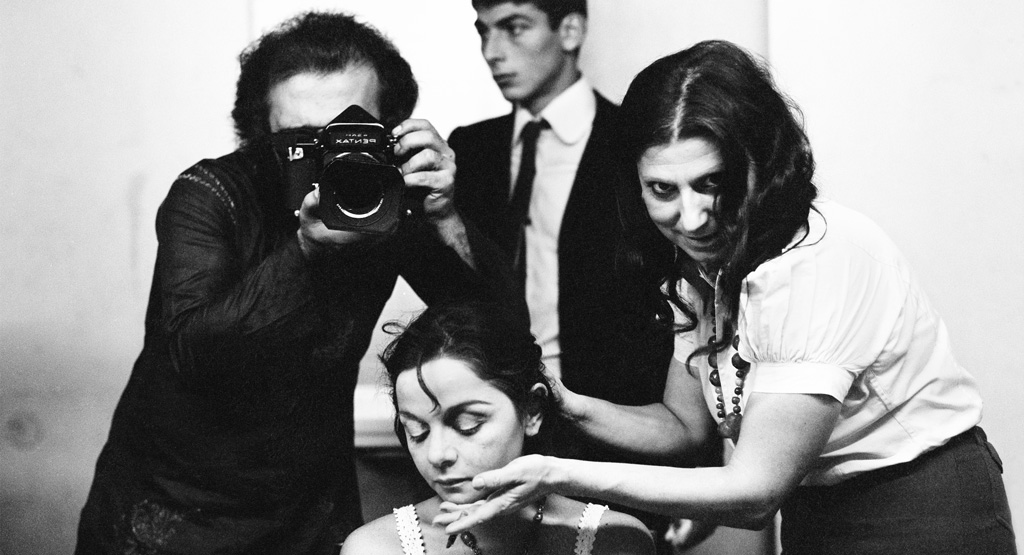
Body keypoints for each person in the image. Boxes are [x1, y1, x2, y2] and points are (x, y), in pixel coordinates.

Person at [435, 40, 1018, 554]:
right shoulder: (703, 267)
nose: (691, 218)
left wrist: (555, 473)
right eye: (662, 190)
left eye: (711, 184)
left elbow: (755, 492)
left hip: (922, 507)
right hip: (814, 510)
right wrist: (568, 403)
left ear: (759, 165)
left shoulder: (815, 260)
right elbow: (681, 426)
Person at [75, 12, 520, 555]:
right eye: (300, 140)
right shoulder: (210, 194)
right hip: (174, 511)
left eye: (346, 135)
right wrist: (307, 249)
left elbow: (498, 329)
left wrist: (445, 214)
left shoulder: (383, 196)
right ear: (259, 133)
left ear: (389, 132)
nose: (328, 159)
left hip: (311, 510)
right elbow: (194, 351)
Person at [449, 0, 682, 480]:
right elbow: (454, 294)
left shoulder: (634, 144)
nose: (492, 51)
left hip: (619, 428)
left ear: (570, 31)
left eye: (514, 28)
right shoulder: (470, 150)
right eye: (483, 32)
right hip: (494, 424)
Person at [339, 300, 654, 554]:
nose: (437, 455)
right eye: (417, 431)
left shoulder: (614, 540)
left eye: (468, 425)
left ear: (531, 411)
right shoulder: (375, 548)